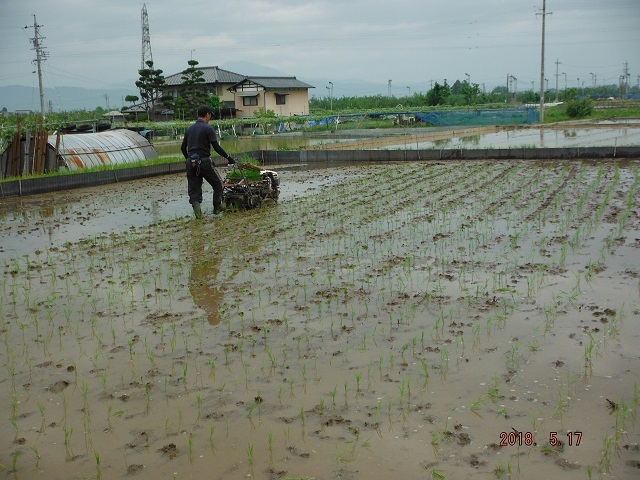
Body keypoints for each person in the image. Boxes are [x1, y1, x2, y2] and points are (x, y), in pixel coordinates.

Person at [181, 105, 235, 218]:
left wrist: (189, 160)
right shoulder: (208, 128)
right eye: (210, 115)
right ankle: (216, 208)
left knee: (194, 190)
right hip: (204, 161)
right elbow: (216, 147)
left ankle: (198, 215)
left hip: (191, 163)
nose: (210, 117)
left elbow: (182, 148)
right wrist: (228, 157)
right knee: (218, 184)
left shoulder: (189, 129)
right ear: (207, 115)